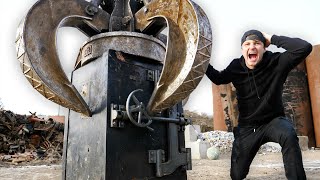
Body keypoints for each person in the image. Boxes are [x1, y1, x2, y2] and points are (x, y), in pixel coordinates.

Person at [206, 30, 312, 180]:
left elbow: (304, 47)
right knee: (237, 175)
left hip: (273, 121)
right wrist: (200, 62)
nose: (252, 47)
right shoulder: (236, 66)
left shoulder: (276, 62)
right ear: (242, 50)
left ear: (264, 48)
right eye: (247, 44)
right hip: (247, 127)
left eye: (257, 43)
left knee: (289, 135)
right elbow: (218, 78)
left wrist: (272, 38)